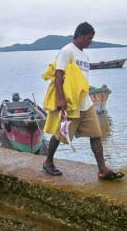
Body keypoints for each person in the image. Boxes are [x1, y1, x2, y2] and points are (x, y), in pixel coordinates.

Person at [42, 22, 124, 180]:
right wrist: (60, 99)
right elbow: (59, 75)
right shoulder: (66, 51)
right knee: (60, 134)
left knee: (96, 134)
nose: (90, 42)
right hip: (71, 104)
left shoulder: (85, 55)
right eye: (88, 38)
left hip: (86, 103)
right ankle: (48, 162)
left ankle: (102, 169)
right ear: (79, 35)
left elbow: (81, 79)